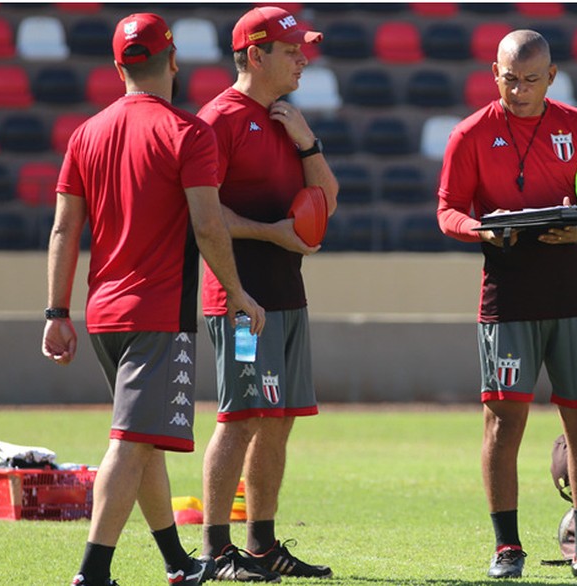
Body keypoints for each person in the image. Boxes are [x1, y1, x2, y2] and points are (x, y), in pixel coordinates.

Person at [42, 13, 265, 586]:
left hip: (103, 315)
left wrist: (57, 313)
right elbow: (209, 226)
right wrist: (237, 293)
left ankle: (176, 560)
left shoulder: (85, 133)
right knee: (133, 441)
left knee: (144, 443)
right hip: (157, 315)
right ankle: (93, 572)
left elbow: (65, 230)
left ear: (118, 68)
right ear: (173, 62)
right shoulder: (188, 132)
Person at [436, 30, 577, 581]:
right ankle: (507, 548)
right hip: (508, 293)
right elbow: (448, 208)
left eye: (529, 79)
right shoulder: (470, 133)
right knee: (502, 425)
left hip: (574, 289)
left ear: (552, 76)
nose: (517, 90)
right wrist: (478, 228)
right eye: (508, 78)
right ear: (492, 73)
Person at [196, 6, 338, 582]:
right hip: (239, 298)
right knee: (241, 418)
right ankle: (213, 550)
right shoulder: (218, 120)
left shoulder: (287, 119)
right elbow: (203, 216)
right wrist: (273, 232)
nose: (303, 58)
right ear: (255, 55)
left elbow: (327, 199)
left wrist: (306, 143)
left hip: (286, 294)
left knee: (277, 419)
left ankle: (262, 545)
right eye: (290, 50)